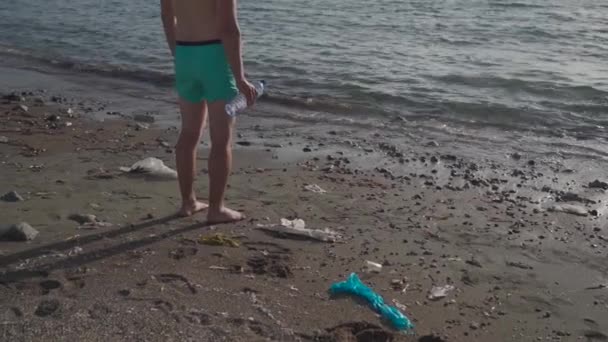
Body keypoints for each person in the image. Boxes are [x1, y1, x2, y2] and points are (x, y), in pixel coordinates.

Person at [160, 0, 256, 223]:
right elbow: (229, 29)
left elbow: (167, 16)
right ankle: (216, 209)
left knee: (189, 133)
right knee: (221, 139)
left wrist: (177, 52)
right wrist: (240, 77)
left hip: (184, 52)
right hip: (214, 56)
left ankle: (188, 202)